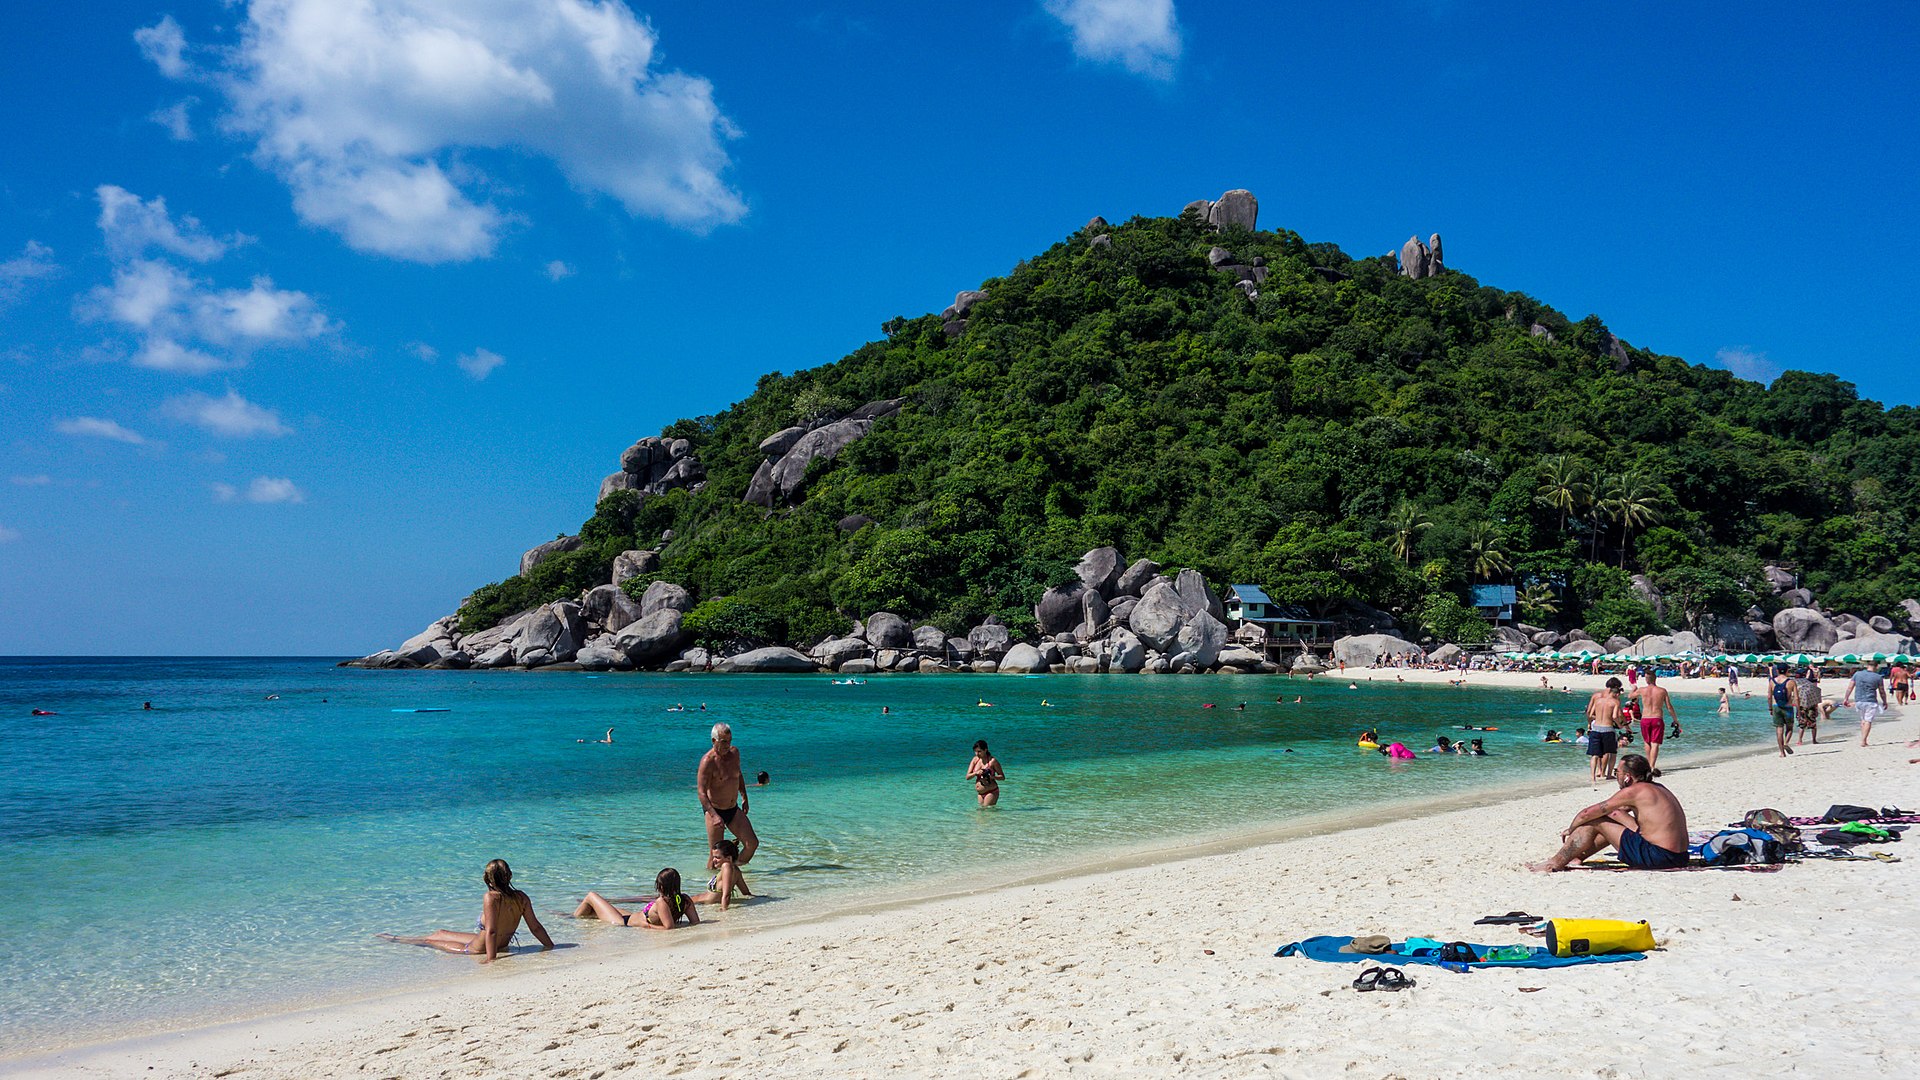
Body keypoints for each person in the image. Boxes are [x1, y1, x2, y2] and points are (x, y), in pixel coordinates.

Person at [1529, 754, 1689, 871]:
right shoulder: (1658, 788)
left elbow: (1586, 813)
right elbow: (1617, 812)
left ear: (1627, 777)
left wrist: (1571, 829)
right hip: (1679, 857)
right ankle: (1577, 857)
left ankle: (1554, 864)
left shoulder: (1634, 791)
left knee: (1596, 821)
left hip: (1658, 857)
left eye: (1616, 772)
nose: (1615, 775)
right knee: (1610, 819)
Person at [379, 859, 555, 963]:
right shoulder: (521, 897)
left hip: (477, 948)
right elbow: (535, 927)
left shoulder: (491, 897)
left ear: (488, 879)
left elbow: (492, 931)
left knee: (429, 940)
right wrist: (550, 945)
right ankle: (394, 938)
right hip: (495, 942)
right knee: (441, 932)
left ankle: (395, 938)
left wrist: (491, 958)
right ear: (510, 876)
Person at [698, 722, 758, 865]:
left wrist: (744, 797)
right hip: (715, 811)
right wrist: (714, 815)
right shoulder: (708, 762)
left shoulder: (734, 753)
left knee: (752, 844)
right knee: (715, 856)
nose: (727, 745)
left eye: (729, 741)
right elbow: (701, 792)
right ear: (714, 741)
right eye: (724, 742)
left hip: (732, 809)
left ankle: (731, 872)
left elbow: (738, 775)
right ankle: (711, 884)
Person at [573, 868, 700, 930]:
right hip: (630, 916)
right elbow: (695, 922)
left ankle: (573, 918)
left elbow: (669, 928)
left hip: (624, 922)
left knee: (591, 896)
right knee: (596, 909)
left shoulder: (662, 902)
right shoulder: (685, 900)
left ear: (661, 885)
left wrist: (647, 926)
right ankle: (574, 916)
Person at [1627, 671, 1680, 775]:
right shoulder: (1662, 691)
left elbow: (1630, 696)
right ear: (1655, 678)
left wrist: (1633, 688)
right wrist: (1675, 720)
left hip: (1645, 718)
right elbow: (1669, 707)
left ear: (1646, 679)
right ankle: (1651, 766)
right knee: (1654, 743)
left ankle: (1648, 766)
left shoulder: (1642, 690)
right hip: (1657, 718)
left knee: (1647, 742)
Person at [690, 839, 753, 910]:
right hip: (696, 902)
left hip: (699, 903)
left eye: (717, 857)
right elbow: (746, 893)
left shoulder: (726, 866)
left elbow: (726, 894)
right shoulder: (736, 870)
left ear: (729, 858)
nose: (713, 860)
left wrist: (724, 909)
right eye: (713, 857)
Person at [1585, 678, 1623, 782]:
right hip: (1607, 728)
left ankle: (1593, 776)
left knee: (1594, 754)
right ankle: (1605, 773)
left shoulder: (1597, 698)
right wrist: (1620, 725)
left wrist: (1590, 724)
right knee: (1608, 752)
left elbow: (1590, 713)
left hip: (1595, 727)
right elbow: (1616, 716)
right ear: (1616, 689)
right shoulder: (1615, 701)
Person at [1845, 664, 1892, 746]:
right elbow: (1882, 691)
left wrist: (1846, 698)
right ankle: (1863, 740)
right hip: (1871, 701)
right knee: (1868, 721)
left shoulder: (1857, 674)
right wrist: (1885, 701)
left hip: (1859, 701)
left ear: (1867, 665)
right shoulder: (1878, 677)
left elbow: (1850, 687)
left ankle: (1863, 738)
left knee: (1863, 720)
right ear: (1877, 666)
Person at [1768, 665, 1796, 757]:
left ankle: (1782, 752)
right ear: (1787, 670)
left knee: (1779, 729)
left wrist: (1770, 709)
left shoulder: (1772, 681)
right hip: (1788, 707)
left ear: (1777, 670)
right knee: (1790, 728)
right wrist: (1799, 711)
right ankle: (1786, 743)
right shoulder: (1791, 682)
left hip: (1776, 707)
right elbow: (1796, 697)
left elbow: (1769, 696)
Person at [967, 740, 1004, 807]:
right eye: (975, 751)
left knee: (986, 811)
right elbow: (967, 777)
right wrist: (976, 773)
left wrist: (993, 777)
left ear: (985, 750)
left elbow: (1002, 777)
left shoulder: (992, 761)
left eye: (979, 751)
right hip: (980, 793)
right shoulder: (975, 760)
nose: (977, 754)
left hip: (991, 791)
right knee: (981, 814)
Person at [1794, 668, 1823, 747]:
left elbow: (1796, 698)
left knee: (1802, 724)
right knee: (1813, 723)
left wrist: (1797, 710)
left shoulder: (1797, 684)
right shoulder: (1810, 684)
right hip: (1811, 705)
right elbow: (1816, 696)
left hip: (1802, 706)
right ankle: (1814, 740)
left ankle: (1800, 740)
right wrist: (1816, 708)